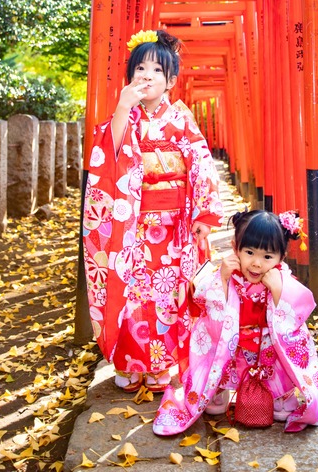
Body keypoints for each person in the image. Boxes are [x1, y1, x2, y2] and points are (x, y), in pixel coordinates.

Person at [82, 28, 224, 394]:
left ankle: (161, 365)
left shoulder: (180, 118)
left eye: (157, 70)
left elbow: (202, 163)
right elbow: (108, 154)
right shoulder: (125, 114)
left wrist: (203, 215)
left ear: (171, 81)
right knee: (131, 292)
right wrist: (122, 107)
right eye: (140, 68)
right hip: (132, 223)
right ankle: (130, 362)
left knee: (166, 295)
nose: (147, 76)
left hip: (173, 224)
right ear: (131, 75)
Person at [152, 209, 318, 435]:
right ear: (235, 249)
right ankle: (218, 389)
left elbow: (294, 319)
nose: (256, 263)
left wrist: (278, 289)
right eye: (249, 252)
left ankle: (281, 394)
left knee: (284, 347)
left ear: (281, 257)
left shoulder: (281, 278)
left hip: (266, 345)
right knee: (215, 338)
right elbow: (205, 306)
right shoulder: (226, 273)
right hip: (233, 341)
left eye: (267, 256)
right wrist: (222, 279)